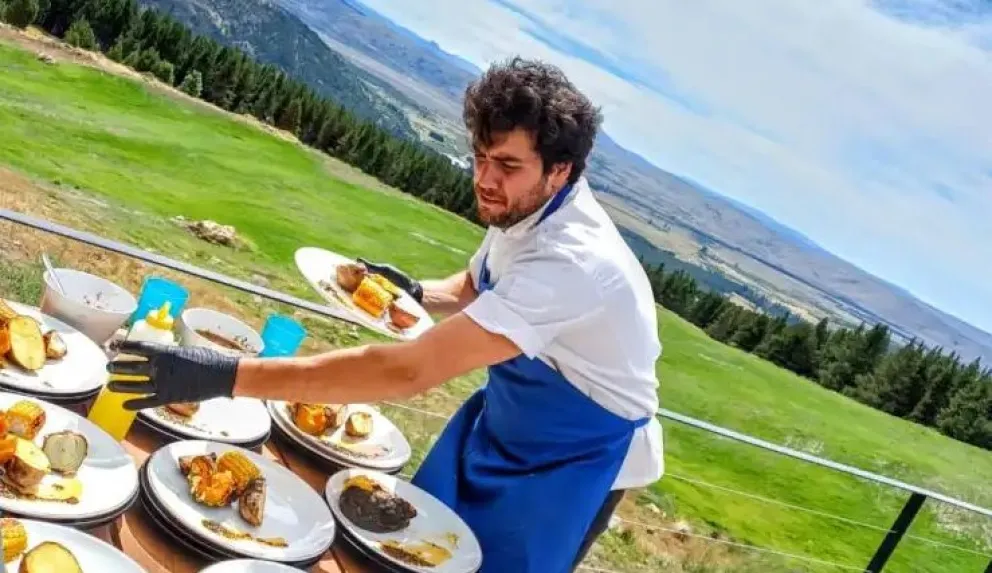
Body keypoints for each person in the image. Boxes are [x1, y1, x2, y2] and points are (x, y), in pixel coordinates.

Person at [107, 57, 664, 573]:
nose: (485, 179)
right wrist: (416, 291)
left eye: (507, 166)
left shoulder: (574, 262)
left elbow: (407, 372)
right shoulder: (529, 208)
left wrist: (225, 375)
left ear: (561, 170)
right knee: (410, 552)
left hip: (576, 457)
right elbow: (477, 285)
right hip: (507, 421)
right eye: (480, 157)